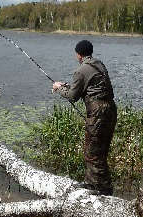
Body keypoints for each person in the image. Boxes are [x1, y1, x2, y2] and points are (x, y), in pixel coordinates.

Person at [52, 40, 117, 196]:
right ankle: (93, 184)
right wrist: (65, 85)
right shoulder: (99, 64)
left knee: (92, 152)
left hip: (98, 113)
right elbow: (88, 87)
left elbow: (73, 96)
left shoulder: (81, 70)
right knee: (100, 150)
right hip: (110, 110)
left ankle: (103, 190)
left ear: (78, 54)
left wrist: (58, 88)